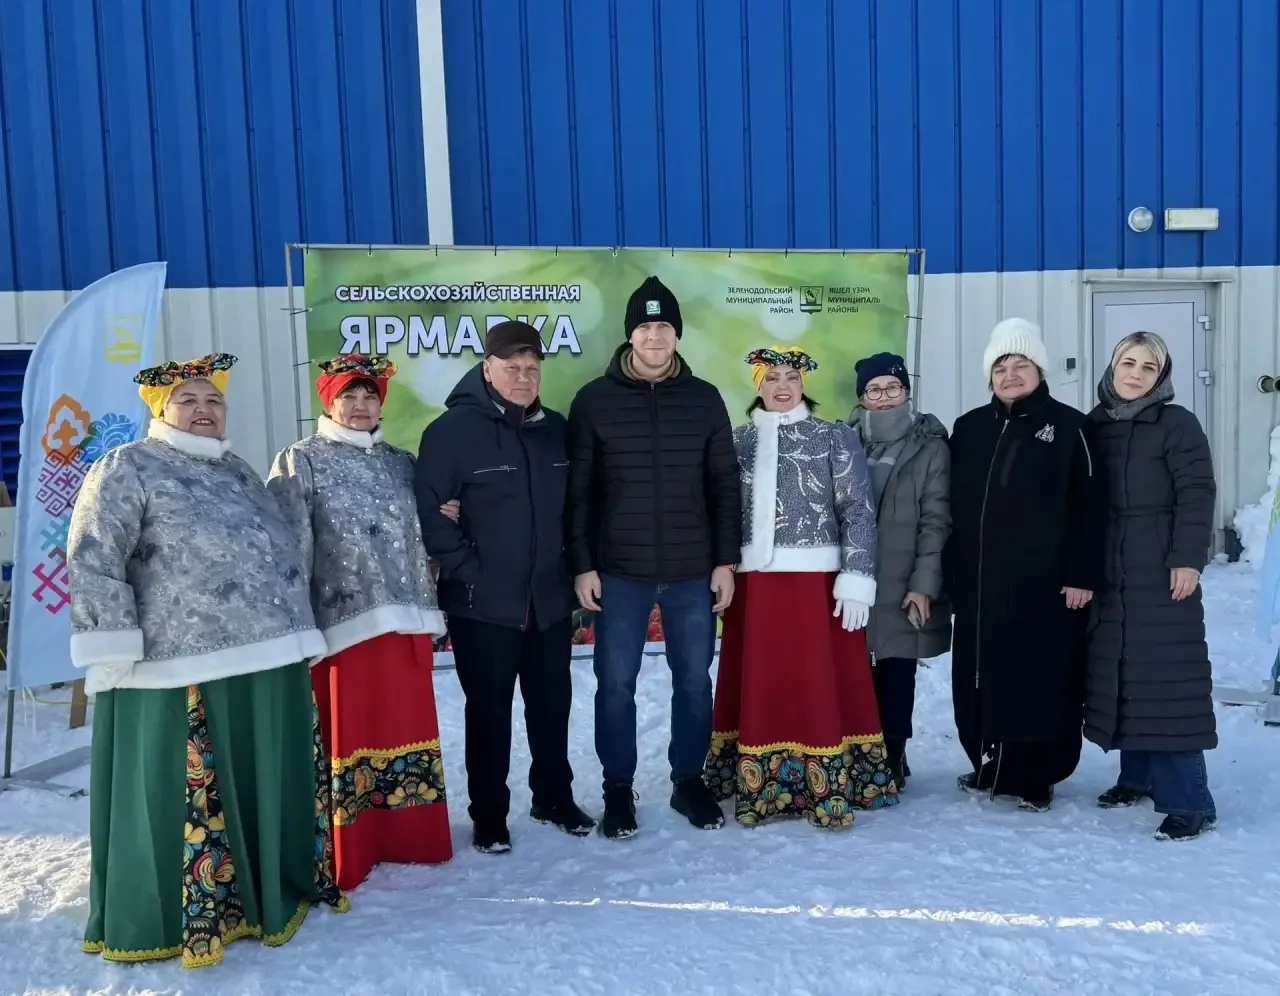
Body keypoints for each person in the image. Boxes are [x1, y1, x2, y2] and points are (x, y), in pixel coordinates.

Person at [67, 353, 346, 969]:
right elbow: (94, 555)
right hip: (178, 666)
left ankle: (262, 890)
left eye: (213, 400)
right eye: (188, 401)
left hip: (265, 657)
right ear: (160, 409)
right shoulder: (127, 465)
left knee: (259, 776)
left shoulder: (239, 470)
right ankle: (180, 913)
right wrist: (110, 643)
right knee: (180, 791)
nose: (203, 410)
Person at [567, 275, 742, 839]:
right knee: (615, 686)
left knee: (693, 682)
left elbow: (724, 485)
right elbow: (579, 493)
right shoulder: (594, 400)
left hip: (692, 572)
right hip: (620, 572)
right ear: (630, 336)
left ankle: (688, 781)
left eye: (664, 325)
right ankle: (618, 789)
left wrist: (725, 561)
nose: (655, 336)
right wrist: (583, 564)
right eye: (645, 327)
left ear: (676, 334)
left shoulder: (705, 398)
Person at [267, 354, 452, 888]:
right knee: (350, 734)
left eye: (369, 395)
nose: (360, 405)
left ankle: (410, 836)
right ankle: (352, 843)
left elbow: (423, 531)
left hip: (404, 624)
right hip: (340, 629)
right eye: (348, 395)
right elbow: (287, 547)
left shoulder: (402, 462)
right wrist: (296, 624)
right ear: (328, 401)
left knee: (403, 727)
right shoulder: (301, 460)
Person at [416, 320, 593, 854]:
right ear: (487, 369)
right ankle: (489, 815)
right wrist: (471, 571)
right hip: (483, 605)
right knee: (489, 714)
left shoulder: (555, 429)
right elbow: (432, 515)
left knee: (552, 707)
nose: (523, 377)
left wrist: (570, 569)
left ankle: (553, 797)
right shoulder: (451, 432)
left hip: (547, 602)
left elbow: (575, 508)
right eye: (511, 367)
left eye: (532, 368)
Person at [705, 346, 896, 828]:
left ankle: (829, 783)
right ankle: (760, 783)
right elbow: (720, 509)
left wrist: (857, 577)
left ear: (803, 383)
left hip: (818, 588)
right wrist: (720, 567)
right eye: (771, 378)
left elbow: (857, 510)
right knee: (764, 680)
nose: (783, 386)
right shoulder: (739, 441)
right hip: (754, 589)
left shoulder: (833, 436)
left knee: (818, 680)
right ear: (758, 386)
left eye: (791, 376)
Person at [946, 319, 1108, 811]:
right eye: (1000, 366)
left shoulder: (1071, 427)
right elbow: (950, 508)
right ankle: (989, 763)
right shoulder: (969, 428)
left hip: (1045, 585)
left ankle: (1037, 775)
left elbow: (1092, 508)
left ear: (1039, 370)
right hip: (980, 585)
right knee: (979, 676)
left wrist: (1081, 574)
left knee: (1039, 678)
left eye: (1021, 365)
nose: (1010, 374)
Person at [1084, 332, 1218, 841]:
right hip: (1108, 564)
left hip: (1160, 564)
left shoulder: (1177, 424)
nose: (1135, 374)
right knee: (1122, 669)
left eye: (1148, 367)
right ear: (1112, 367)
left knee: (1167, 680)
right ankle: (1136, 777)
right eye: (1128, 363)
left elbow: (1197, 492)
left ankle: (1191, 802)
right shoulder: (1094, 424)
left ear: (1161, 377)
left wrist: (1187, 559)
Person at [848, 352, 952, 789]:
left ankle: (892, 754)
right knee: (852, 669)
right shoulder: (843, 441)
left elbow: (936, 521)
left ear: (907, 392)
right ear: (862, 398)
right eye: (875, 390)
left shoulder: (930, 446)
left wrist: (923, 584)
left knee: (896, 671)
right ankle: (858, 750)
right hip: (852, 580)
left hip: (902, 577)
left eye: (894, 388)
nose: (885, 397)